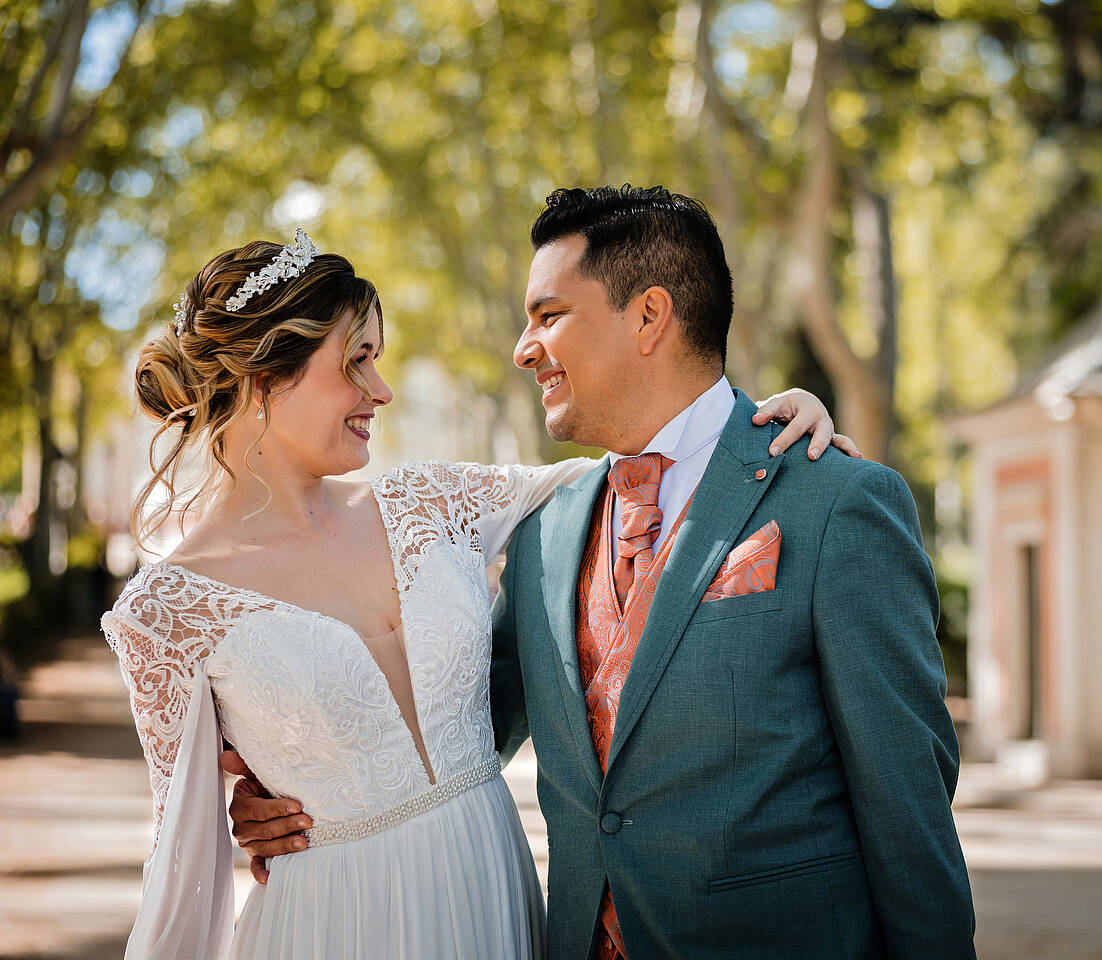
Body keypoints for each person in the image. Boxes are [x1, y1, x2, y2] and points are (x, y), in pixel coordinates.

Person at [237, 186, 977, 958]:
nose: (524, 348)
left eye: (548, 315)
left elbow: (907, 805)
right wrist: (293, 779)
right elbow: (455, 728)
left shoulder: (834, 500)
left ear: (649, 317)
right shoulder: (545, 524)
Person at [102, 227, 848, 960]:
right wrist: (253, 809)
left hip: (493, 900)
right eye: (356, 363)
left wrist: (767, 425)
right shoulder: (165, 612)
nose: (381, 391)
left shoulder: (432, 503)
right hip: (330, 922)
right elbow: (181, 869)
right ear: (262, 380)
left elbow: (640, 475)